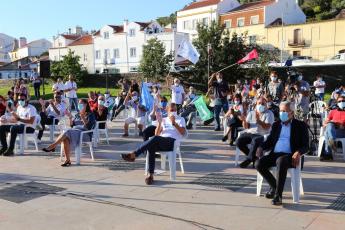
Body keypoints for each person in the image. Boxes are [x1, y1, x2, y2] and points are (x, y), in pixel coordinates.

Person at [255, 101, 309, 206]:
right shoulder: (276, 125)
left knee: (281, 161)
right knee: (258, 163)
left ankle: (278, 196)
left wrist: (298, 152)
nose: (281, 113)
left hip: (290, 156)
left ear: (292, 113)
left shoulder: (300, 125)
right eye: (280, 111)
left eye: (284, 111)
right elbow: (270, 141)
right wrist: (261, 147)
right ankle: (275, 187)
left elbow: (306, 146)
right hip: (275, 154)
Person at [121, 103, 186, 185]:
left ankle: (135, 154)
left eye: (175, 110)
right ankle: (150, 175)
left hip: (172, 142)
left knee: (153, 139)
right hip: (162, 141)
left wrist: (174, 123)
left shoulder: (181, 119)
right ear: (167, 110)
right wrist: (159, 123)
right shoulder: (164, 120)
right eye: (172, 110)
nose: (174, 112)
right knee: (151, 145)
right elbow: (157, 134)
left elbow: (183, 132)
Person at [42, 99, 96, 167]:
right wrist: (70, 118)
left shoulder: (90, 114)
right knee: (65, 138)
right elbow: (72, 125)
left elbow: (88, 127)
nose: (79, 105)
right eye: (79, 104)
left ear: (86, 105)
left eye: (81, 104)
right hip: (75, 132)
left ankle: (53, 146)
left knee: (67, 132)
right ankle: (68, 160)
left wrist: (83, 117)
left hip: (84, 134)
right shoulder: (77, 114)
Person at [236, 97, 275, 168]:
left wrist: (259, 121)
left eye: (263, 104)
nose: (261, 105)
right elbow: (246, 127)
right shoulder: (251, 113)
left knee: (255, 141)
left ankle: (248, 160)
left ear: (266, 105)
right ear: (256, 104)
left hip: (262, 134)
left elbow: (267, 127)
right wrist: (244, 120)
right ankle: (253, 158)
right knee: (239, 141)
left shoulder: (269, 113)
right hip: (250, 133)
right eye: (259, 103)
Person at [321, 96, 345, 161]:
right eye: (339, 101)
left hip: (342, 131)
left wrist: (341, 125)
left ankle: (328, 154)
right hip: (332, 130)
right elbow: (324, 123)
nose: (342, 102)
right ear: (337, 103)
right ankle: (332, 140)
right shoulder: (333, 111)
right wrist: (330, 123)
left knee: (327, 133)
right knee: (330, 125)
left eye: (343, 101)